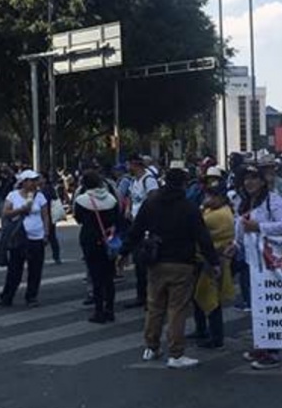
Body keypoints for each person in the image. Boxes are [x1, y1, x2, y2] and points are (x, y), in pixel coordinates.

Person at [119, 162, 221, 369]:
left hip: (156, 261)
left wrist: (123, 253)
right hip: (182, 263)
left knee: (155, 306)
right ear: (183, 184)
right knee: (177, 309)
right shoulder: (189, 207)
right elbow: (202, 236)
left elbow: (136, 230)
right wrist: (214, 261)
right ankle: (176, 353)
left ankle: (152, 346)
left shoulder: (151, 204)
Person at [231, 164, 282, 370]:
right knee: (257, 306)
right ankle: (261, 344)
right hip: (251, 261)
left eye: (253, 178)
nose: (249, 182)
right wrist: (235, 245)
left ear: (262, 181)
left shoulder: (273, 200)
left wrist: (260, 227)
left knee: (269, 305)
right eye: (246, 179)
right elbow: (240, 229)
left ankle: (273, 351)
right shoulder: (245, 202)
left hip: (269, 263)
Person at [190, 180, 235, 349]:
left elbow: (198, 225)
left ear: (221, 197)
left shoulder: (219, 215)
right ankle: (202, 329)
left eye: (212, 195)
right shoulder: (213, 210)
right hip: (207, 259)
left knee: (211, 299)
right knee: (199, 296)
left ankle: (216, 336)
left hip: (214, 260)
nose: (207, 197)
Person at [0, 170, 49, 308]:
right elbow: (6, 213)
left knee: (35, 269)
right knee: (15, 268)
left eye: (35, 180)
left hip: (36, 236)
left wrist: (46, 233)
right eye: (31, 180)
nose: (34, 183)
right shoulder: (13, 196)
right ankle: (7, 297)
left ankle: (31, 296)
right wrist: (21, 210)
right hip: (19, 236)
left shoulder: (40, 196)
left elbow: (45, 216)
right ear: (24, 182)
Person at [73, 170, 120, 322]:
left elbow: (78, 219)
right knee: (109, 277)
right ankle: (110, 310)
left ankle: (99, 311)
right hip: (109, 240)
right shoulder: (111, 199)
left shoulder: (82, 200)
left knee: (95, 276)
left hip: (90, 240)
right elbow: (116, 218)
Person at [124, 154, 160, 309]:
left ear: (135, 165)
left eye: (129, 164)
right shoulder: (134, 181)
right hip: (136, 223)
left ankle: (151, 297)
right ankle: (141, 296)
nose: (128, 167)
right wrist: (127, 209)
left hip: (147, 226)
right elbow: (131, 197)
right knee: (138, 263)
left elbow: (153, 199)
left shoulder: (149, 180)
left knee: (147, 263)